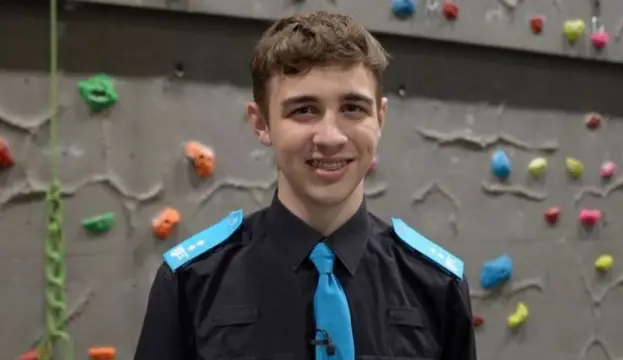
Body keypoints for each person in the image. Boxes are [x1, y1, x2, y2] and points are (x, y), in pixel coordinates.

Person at [134, 10, 476, 360]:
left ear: (380, 118)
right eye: (304, 110)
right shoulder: (191, 283)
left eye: (353, 108)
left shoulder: (437, 285)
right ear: (261, 123)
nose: (330, 137)